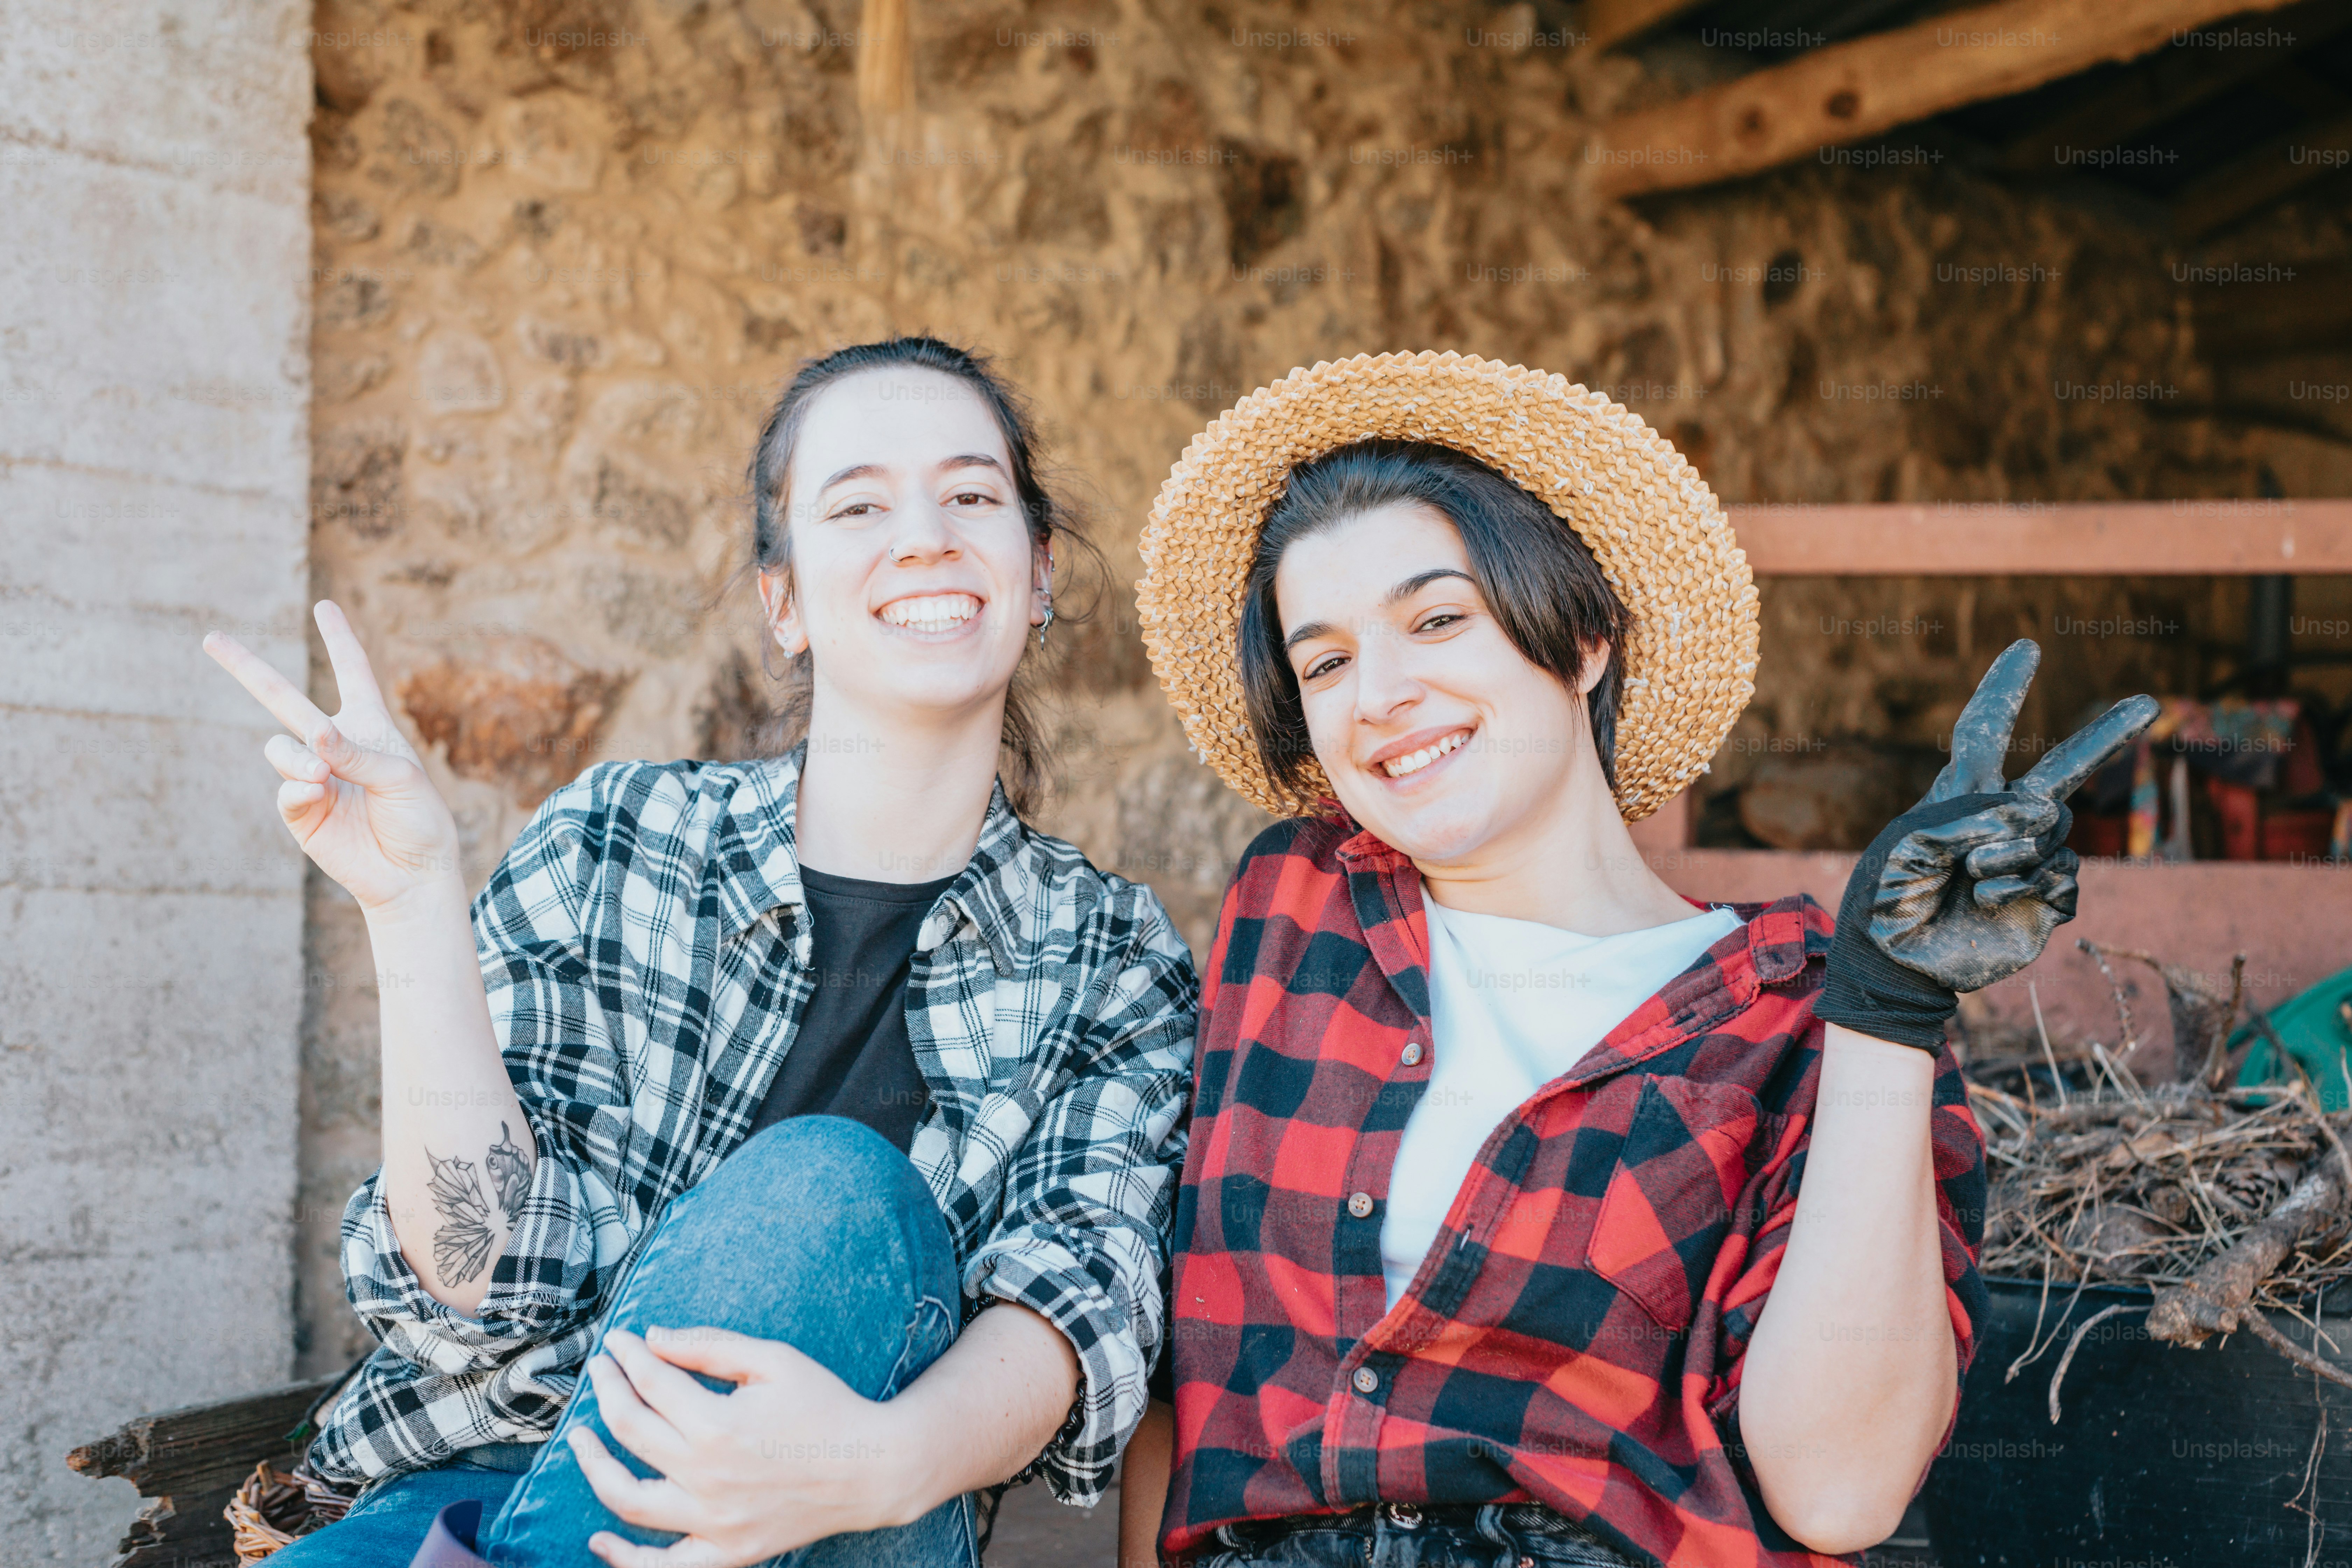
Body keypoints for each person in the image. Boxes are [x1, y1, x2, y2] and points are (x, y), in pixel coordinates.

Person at [1114, 351, 2155, 1568]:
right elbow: (1190, 1373)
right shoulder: (1294, 906)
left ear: (1585, 635)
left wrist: (1890, 1012)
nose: (1381, 693)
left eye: (1438, 619)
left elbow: (1841, 1493)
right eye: (1328, 660)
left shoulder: (1805, 1012)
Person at [204, 336, 1198, 1568]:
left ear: (1037, 573)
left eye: (973, 495)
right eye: (859, 505)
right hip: (464, 1491)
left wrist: (868, 1462)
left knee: (827, 1191)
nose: (928, 535)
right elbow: (472, 1269)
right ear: (782, 603)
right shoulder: (616, 842)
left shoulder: (1112, 957)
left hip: (851, 1511)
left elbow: (1075, 1302)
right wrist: (409, 905)